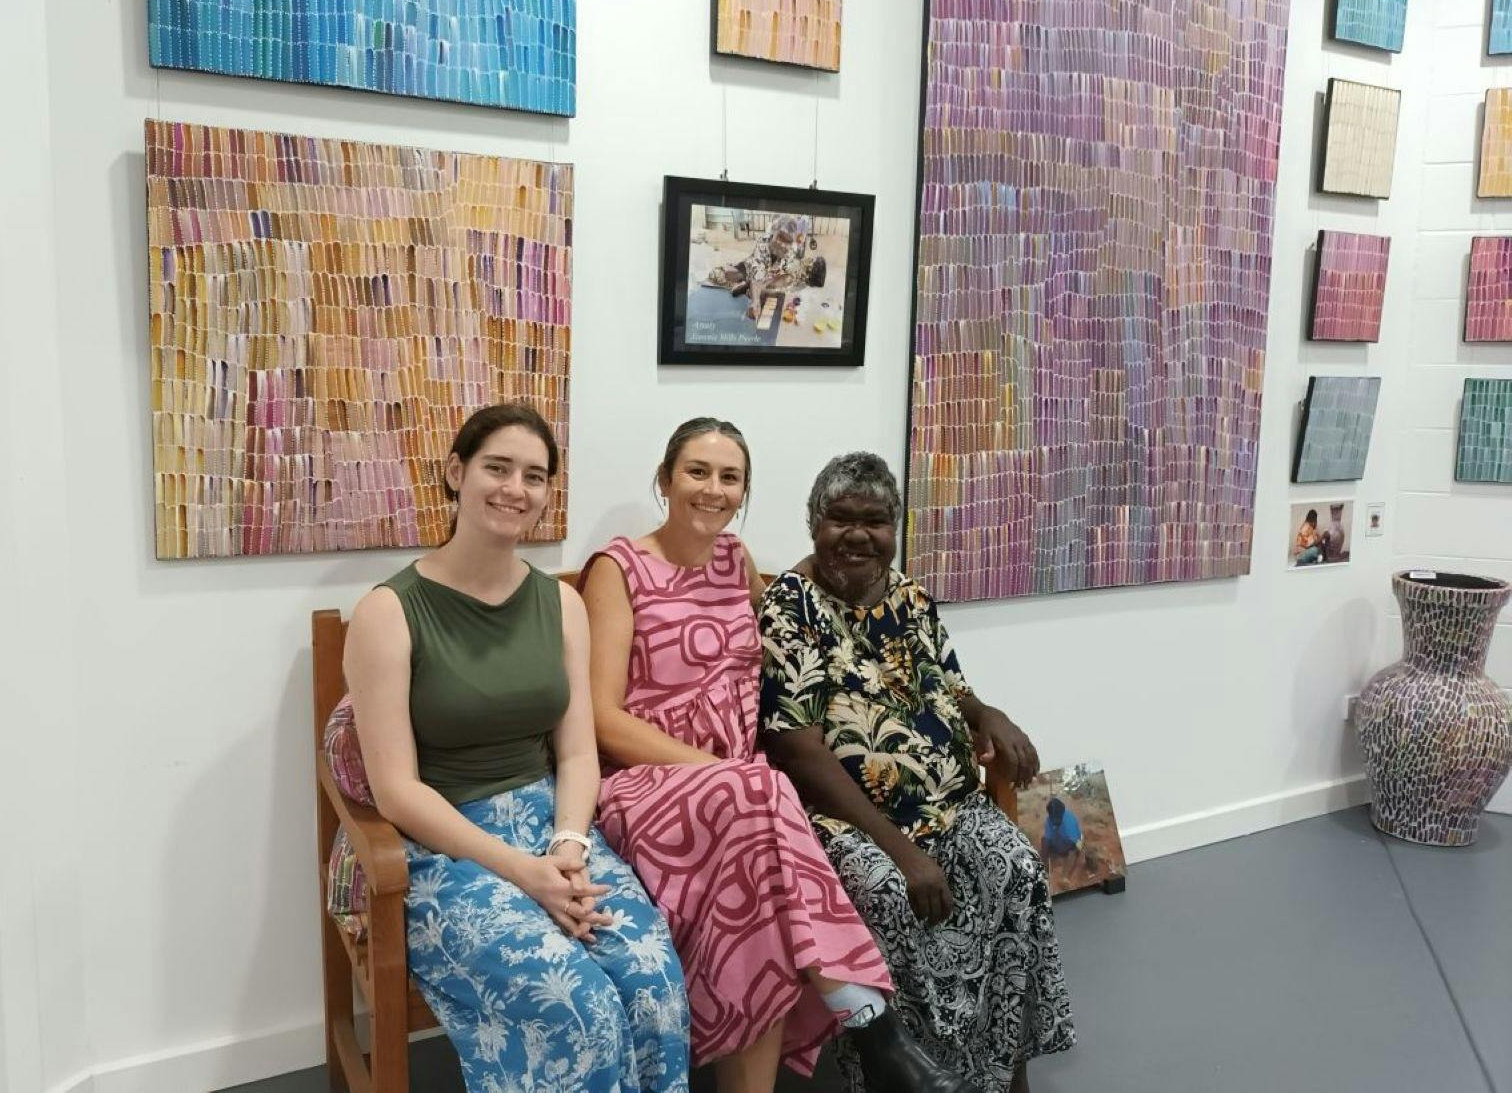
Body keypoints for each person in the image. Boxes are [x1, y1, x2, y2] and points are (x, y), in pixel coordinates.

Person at [580, 420, 977, 1093]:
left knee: (758, 894)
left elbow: (802, 615)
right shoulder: (619, 570)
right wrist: (717, 769)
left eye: (729, 477)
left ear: (744, 491)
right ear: (665, 479)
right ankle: (873, 1025)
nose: (712, 488)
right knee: (761, 793)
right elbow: (601, 718)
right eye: (697, 472)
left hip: (747, 801)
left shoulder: (736, 562)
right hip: (648, 786)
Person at [343, 403, 691, 1093]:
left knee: (655, 982)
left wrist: (566, 845)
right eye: (497, 467)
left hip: (552, 828)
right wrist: (521, 871)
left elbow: (577, 753)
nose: (515, 489)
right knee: (579, 1005)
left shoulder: (560, 603)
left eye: (534, 476)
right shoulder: (388, 611)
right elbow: (396, 792)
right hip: (444, 848)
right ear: (456, 473)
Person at [759, 452, 1076, 1093]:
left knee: (1015, 867)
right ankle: (908, 1077)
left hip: (948, 803)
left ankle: (1001, 1071)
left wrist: (989, 713)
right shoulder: (789, 607)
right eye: (840, 519)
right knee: (887, 893)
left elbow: (952, 685)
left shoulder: (907, 594)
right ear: (813, 523)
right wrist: (902, 851)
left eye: (874, 521)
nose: (857, 535)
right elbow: (800, 750)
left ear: (895, 527)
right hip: (845, 820)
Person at [1040, 796, 1086, 883]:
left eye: (1058, 817)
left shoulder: (1069, 824)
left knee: (1073, 850)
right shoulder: (1048, 821)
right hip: (1059, 843)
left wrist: (1081, 854)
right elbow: (1048, 837)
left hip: (1070, 843)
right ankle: (1043, 867)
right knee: (1044, 840)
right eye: (1052, 817)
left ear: (1062, 813)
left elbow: (1078, 844)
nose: (1055, 819)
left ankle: (1065, 877)